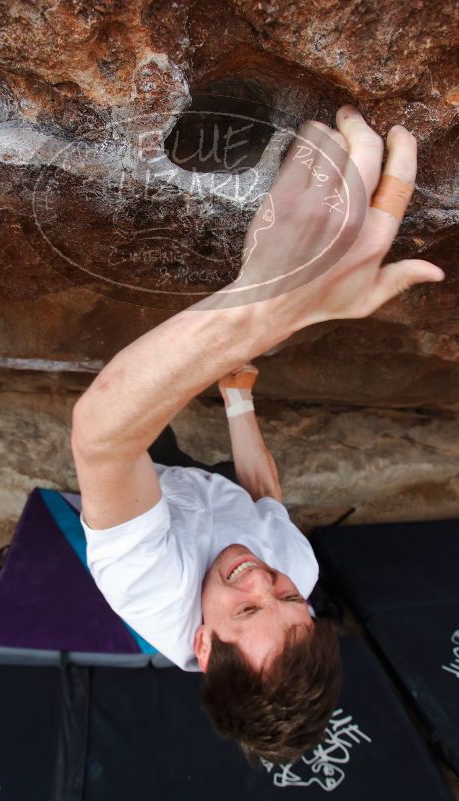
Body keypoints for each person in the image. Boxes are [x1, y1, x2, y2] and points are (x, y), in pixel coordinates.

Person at [71, 106, 445, 766]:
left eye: (246, 611)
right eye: (288, 598)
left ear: (204, 645)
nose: (261, 578)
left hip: (155, 488)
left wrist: (266, 304)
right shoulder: (293, 569)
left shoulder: (149, 588)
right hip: (212, 492)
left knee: (142, 437)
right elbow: (265, 500)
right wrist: (238, 396)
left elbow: (101, 437)